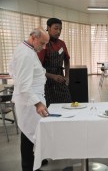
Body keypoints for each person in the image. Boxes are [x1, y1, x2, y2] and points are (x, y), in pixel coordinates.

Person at [8, 27, 50, 171]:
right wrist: (37, 103)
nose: (43, 47)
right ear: (33, 37)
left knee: (31, 133)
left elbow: (12, 70)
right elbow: (23, 85)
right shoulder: (26, 54)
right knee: (28, 134)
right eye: (42, 43)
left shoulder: (25, 49)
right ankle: (29, 167)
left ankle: (34, 162)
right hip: (29, 101)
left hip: (30, 98)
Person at [38, 18, 71, 107]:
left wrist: (67, 76)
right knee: (52, 109)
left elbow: (67, 59)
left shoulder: (62, 43)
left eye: (60, 29)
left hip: (60, 80)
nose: (58, 32)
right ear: (48, 28)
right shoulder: (43, 44)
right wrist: (53, 76)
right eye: (56, 28)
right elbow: (38, 68)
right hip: (47, 83)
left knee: (67, 105)